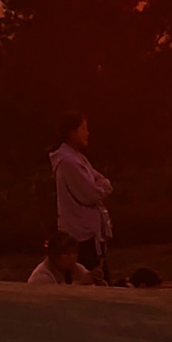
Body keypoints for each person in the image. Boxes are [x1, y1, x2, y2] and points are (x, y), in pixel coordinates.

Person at [49, 112, 113, 283]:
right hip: (80, 237)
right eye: (83, 129)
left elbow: (100, 180)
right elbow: (90, 194)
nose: (87, 133)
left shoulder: (79, 159)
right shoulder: (68, 162)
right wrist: (102, 187)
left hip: (90, 236)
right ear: (72, 132)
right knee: (92, 282)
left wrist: (101, 185)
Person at [28, 231, 106, 285]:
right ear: (54, 255)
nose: (72, 257)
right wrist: (80, 284)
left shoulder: (78, 269)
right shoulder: (42, 276)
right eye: (66, 253)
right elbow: (55, 300)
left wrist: (98, 283)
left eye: (74, 253)